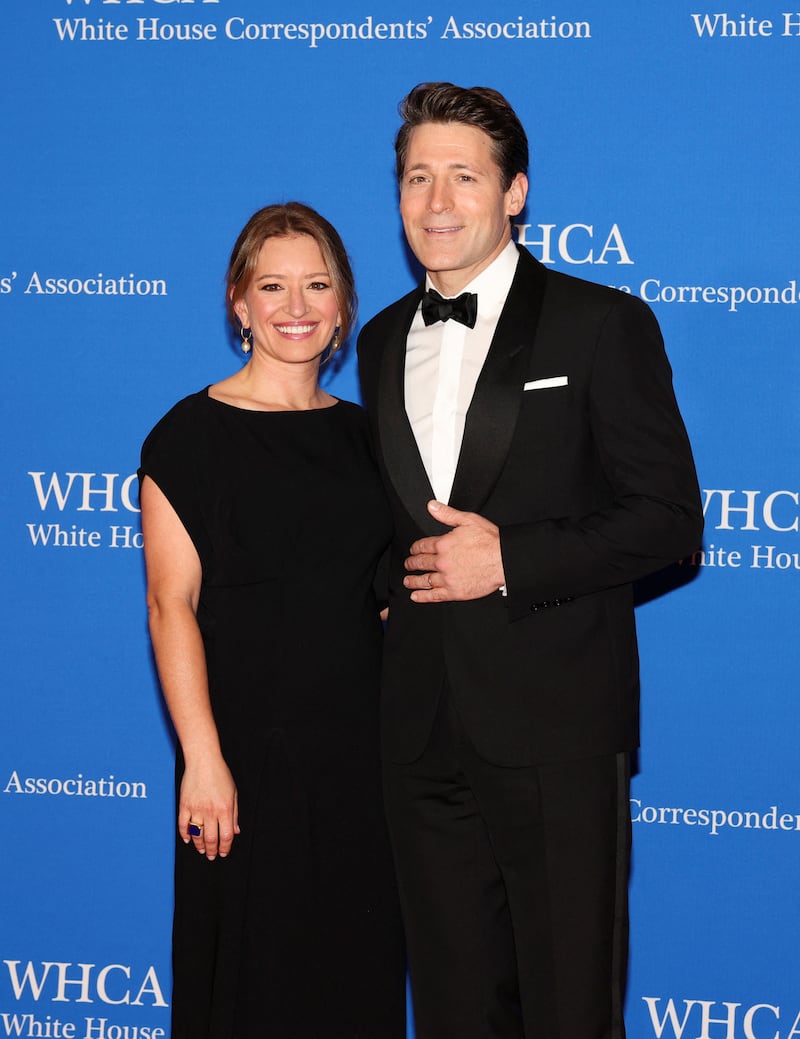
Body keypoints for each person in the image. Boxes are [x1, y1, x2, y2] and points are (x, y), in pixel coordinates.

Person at [357, 83, 703, 1039]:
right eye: (417, 177)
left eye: (463, 176)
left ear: (514, 194)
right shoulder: (383, 338)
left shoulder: (601, 323)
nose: (436, 200)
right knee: (456, 1010)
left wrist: (510, 559)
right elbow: (399, 527)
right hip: (420, 738)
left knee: (567, 1008)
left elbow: (670, 519)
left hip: (555, 730)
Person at [139, 202, 405, 1039]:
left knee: (352, 983)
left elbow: (392, 599)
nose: (298, 305)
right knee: (244, 989)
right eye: (274, 284)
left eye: (318, 284)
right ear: (239, 302)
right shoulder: (187, 436)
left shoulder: (373, 439)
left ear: (344, 306)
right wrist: (203, 760)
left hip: (363, 766)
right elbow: (169, 603)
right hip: (242, 762)